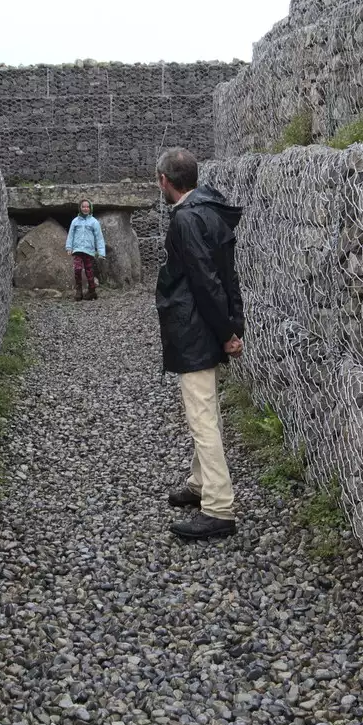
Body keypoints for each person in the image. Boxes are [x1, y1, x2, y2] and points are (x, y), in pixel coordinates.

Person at [154, 147, 245, 541]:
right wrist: (233, 324)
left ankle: (219, 508)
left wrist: (226, 333)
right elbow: (229, 274)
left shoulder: (186, 219)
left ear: (165, 182)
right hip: (210, 324)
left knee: (202, 417)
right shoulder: (212, 209)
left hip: (195, 327)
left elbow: (206, 282)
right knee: (204, 406)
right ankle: (198, 482)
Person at [65, 201, 106, 301]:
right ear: (80, 208)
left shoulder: (94, 222)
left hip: (89, 250)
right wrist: (69, 247)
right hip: (77, 249)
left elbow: (99, 237)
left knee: (89, 270)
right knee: (77, 269)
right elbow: (71, 235)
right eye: (83, 207)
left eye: (87, 207)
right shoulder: (75, 221)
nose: (85, 209)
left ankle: (92, 291)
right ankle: (79, 291)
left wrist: (101, 252)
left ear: (90, 208)